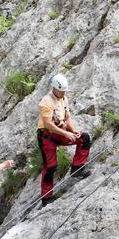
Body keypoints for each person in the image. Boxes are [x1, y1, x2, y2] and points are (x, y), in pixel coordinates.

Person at [37, 74, 92, 207]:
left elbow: (67, 117)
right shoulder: (46, 102)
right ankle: (46, 198)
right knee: (50, 166)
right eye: (61, 91)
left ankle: (77, 168)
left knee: (84, 138)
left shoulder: (63, 99)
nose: (63, 93)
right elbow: (49, 124)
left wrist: (73, 131)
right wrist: (66, 134)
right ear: (54, 89)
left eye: (64, 91)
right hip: (47, 136)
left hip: (61, 131)